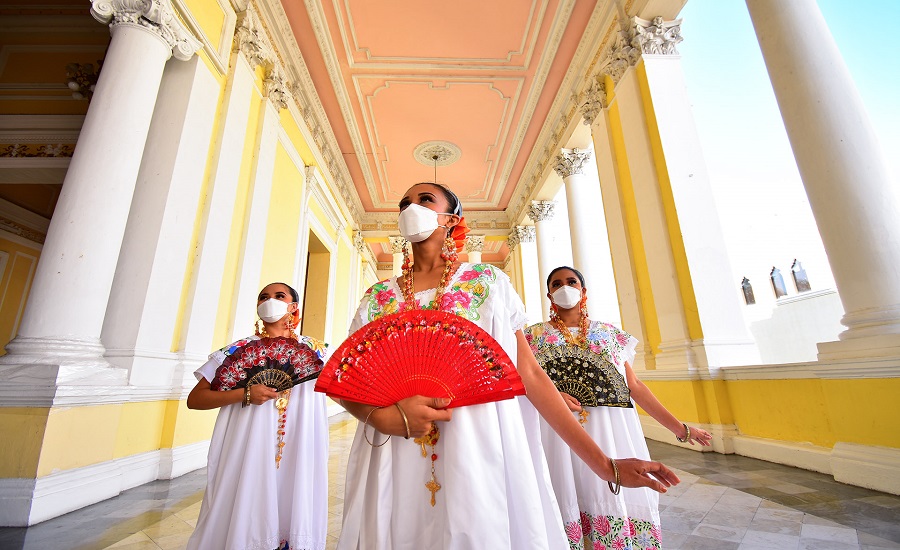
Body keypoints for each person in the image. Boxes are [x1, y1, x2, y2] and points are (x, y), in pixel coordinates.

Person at [335, 183, 679, 550]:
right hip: (392, 446)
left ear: (452, 220)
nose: (410, 207)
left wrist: (605, 464)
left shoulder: (487, 284)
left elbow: (530, 375)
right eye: (404, 203)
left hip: (474, 444)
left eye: (424, 200)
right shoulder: (376, 299)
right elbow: (345, 379)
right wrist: (383, 418)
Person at [525, 266, 712, 549]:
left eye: (571, 281)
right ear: (549, 294)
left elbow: (634, 387)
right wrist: (553, 394)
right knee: (564, 487)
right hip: (558, 431)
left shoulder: (611, 335)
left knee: (610, 489)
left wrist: (682, 429)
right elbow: (524, 381)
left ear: (583, 290)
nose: (565, 287)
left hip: (611, 429)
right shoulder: (533, 336)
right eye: (557, 283)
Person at [185, 282, 329, 550]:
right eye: (264, 297)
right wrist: (245, 394)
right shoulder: (235, 351)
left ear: (293, 307)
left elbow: (339, 388)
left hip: (299, 442)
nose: (269, 300)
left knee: (293, 495)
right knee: (250, 496)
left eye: (278, 296)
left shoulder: (317, 351)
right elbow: (195, 399)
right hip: (249, 444)